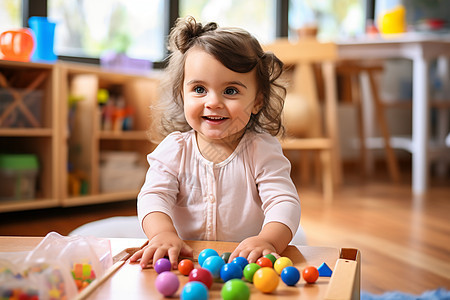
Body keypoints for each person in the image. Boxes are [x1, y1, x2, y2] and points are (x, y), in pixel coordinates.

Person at [130, 16, 301, 270]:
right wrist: (162, 234)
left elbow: (283, 201)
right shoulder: (175, 149)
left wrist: (268, 240)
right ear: (182, 94)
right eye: (199, 89)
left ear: (257, 101)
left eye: (230, 91)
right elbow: (154, 196)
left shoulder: (261, 151)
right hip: (185, 258)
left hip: (243, 262)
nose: (213, 102)